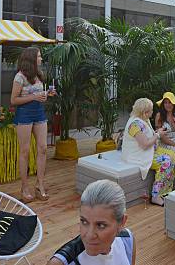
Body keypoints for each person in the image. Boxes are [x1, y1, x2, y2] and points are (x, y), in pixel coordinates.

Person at [48, 179, 135, 265]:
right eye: (84, 222)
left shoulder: (127, 239)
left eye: (101, 225)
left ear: (122, 223)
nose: (89, 235)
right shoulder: (60, 263)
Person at [11, 47, 52, 202]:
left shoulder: (39, 75)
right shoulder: (19, 77)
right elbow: (13, 100)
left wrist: (45, 95)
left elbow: (38, 95)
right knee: (25, 151)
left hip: (39, 113)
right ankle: (24, 187)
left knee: (43, 148)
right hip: (24, 114)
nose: (41, 59)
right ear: (31, 58)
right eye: (39, 56)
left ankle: (40, 184)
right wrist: (34, 97)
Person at [120, 98, 169, 206]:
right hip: (136, 155)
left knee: (170, 154)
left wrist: (157, 133)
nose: (152, 112)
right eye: (151, 110)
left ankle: (165, 190)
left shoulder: (142, 120)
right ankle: (156, 195)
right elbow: (145, 144)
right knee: (166, 160)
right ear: (145, 112)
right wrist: (158, 135)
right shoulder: (135, 124)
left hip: (144, 151)